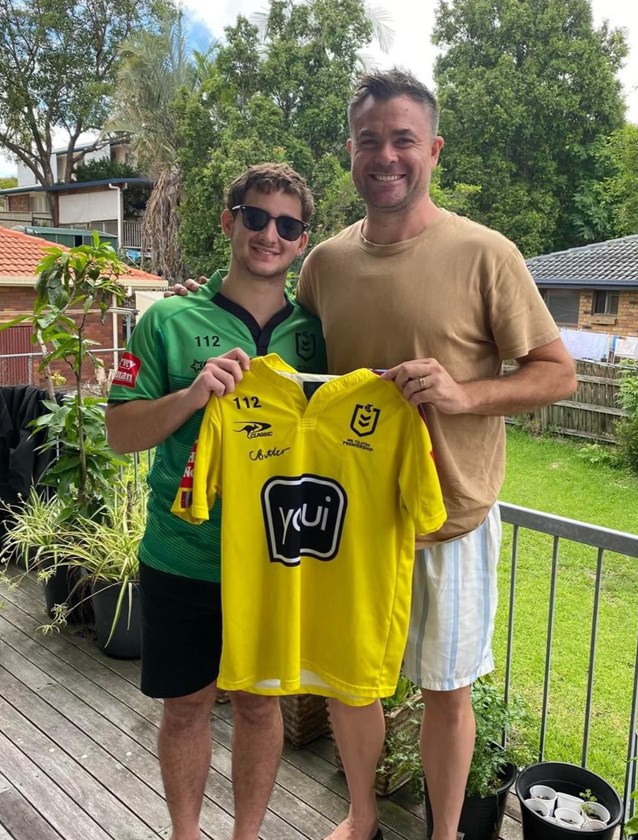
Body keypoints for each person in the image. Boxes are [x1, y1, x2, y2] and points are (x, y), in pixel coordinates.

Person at [171, 70, 577, 840]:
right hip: (344, 522)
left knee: (445, 689)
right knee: (351, 685)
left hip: (448, 518)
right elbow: (285, 345)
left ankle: (445, 831)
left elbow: (559, 373)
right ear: (350, 150)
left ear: (433, 148)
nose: (385, 156)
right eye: (369, 140)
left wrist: (463, 396)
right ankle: (361, 816)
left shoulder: (486, 253)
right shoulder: (323, 262)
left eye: (402, 140)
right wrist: (206, 298)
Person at [105, 163, 326, 840]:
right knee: (185, 709)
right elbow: (118, 433)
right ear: (229, 221)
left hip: (274, 562)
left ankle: (247, 836)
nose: (269, 234)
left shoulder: (316, 334)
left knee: (263, 711)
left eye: (287, 226)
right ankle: (185, 833)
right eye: (256, 217)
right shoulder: (169, 320)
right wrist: (193, 395)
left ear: (301, 241)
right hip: (183, 556)